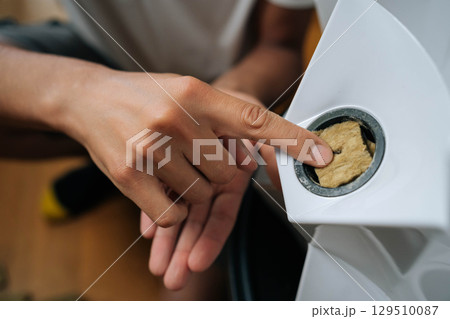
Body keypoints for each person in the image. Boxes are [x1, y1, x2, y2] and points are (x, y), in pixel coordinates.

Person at [0, 0, 332, 292]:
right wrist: (79, 96)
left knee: (186, 284)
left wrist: (232, 93)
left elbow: (280, 44)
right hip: (105, 57)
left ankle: (137, 160)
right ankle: (113, 157)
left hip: (238, 70)